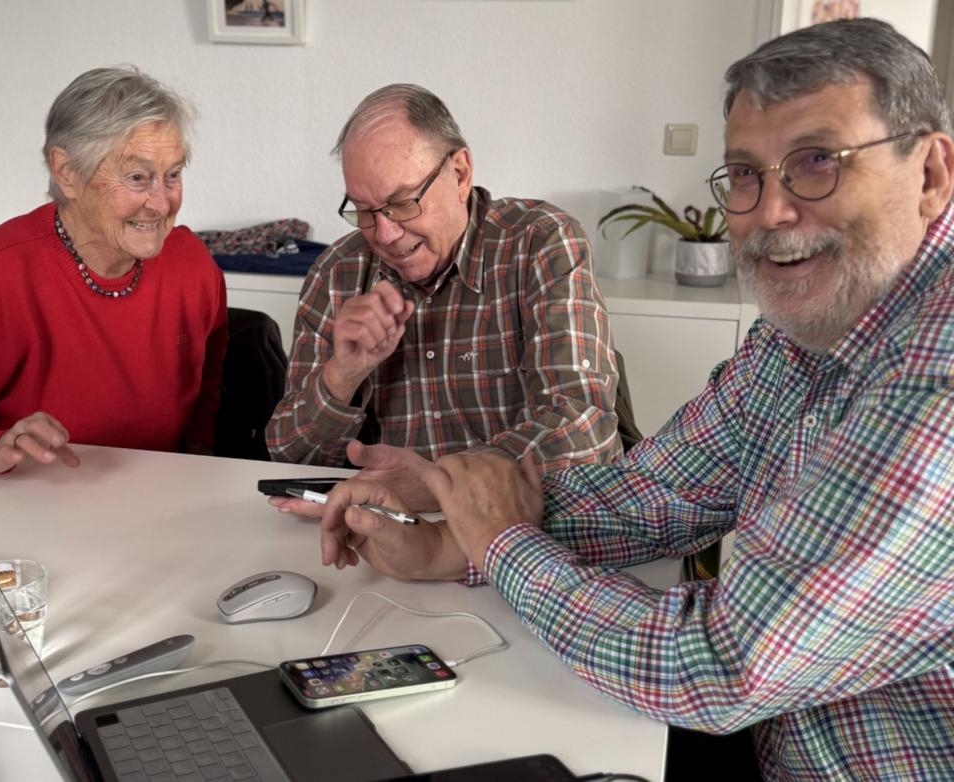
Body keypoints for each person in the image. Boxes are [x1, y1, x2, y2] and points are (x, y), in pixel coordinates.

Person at [316, 20, 954, 781]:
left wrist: (498, 544)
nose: (771, 212)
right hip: (766, 736)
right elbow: (658, 491)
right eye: (746, 175)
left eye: (817, 162)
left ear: (932, 173)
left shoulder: (934, 379)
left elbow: (721, 665)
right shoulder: (808, 329)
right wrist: (451, 523)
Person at [266, 83, 626, 508]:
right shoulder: (337, 274)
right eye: (363, 210)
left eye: (402, 203)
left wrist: (434, 485)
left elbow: (581, 431)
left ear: (460, 173)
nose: (384, 233)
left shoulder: (540, 243)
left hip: (524, 528)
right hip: (387, 533)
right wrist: (343, 375)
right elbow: (289, 456)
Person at [0, 66, 227, 474]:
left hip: (159, 505)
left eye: (172, 175)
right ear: (67, 173)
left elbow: (212, 401)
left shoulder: (192, 264)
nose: (162, 203)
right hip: (26, 505)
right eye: (137, 177)